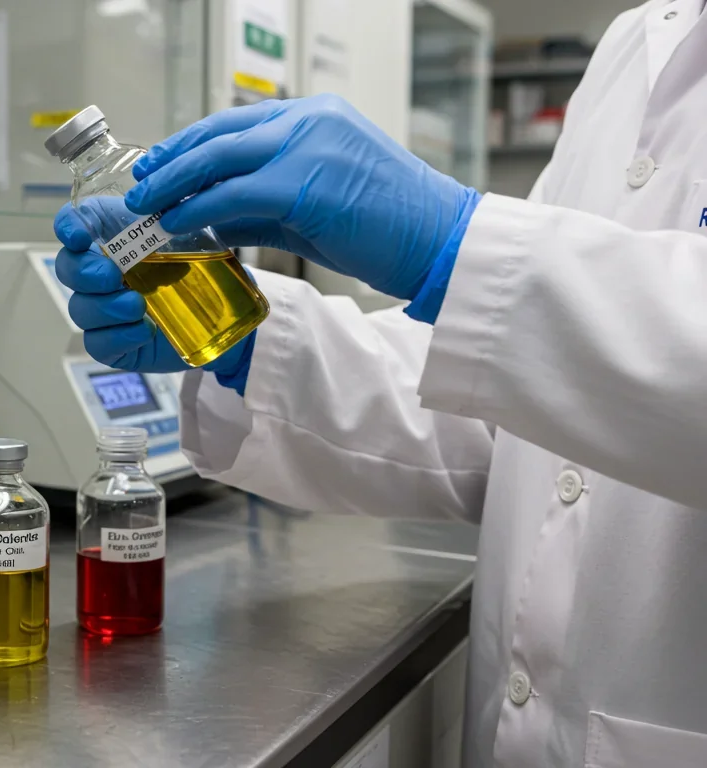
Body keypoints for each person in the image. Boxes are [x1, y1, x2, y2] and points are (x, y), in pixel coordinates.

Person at [54, 2, 707, 766]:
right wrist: (251, 350)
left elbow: (539, 324)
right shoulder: (636, 41)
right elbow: (516, 408)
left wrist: (455, 241)